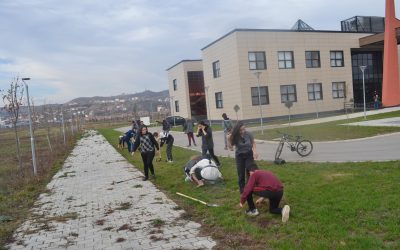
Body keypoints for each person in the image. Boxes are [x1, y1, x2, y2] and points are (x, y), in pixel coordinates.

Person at [228, 122, 258, 194]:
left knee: (250, 172)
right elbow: (231, 148)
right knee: (241, 174)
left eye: (244, 129)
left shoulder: (248, 134)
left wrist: (255, 152)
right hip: (239, 156)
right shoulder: (235, 136)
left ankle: (250, 188)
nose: (243, 131)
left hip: (249, 155)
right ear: (237, 130)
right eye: (241, 130)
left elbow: (253, 143)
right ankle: (242, 192)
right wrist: (228, 139)